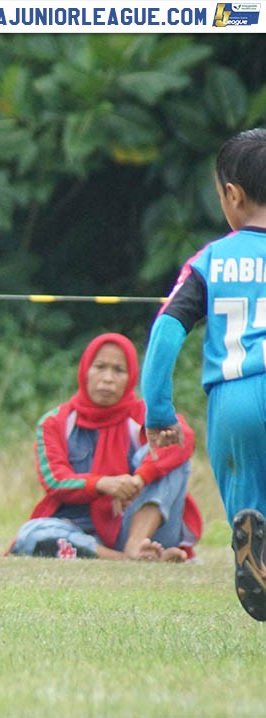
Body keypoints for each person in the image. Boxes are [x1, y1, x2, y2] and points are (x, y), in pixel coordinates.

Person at [141, 127, 266, 618]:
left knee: (248, 504)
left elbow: (167, 332)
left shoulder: (211, 260)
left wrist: (158, 409)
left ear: (232, 195)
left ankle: (252, 539)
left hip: (234, 399)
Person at [9, 333, 201, 561]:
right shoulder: (55, 422)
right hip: (82, 532)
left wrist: (139, 479)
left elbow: (184, 437)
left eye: (119, 370)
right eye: (100, 367)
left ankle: (136, 545)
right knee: (31, 535)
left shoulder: (144, 416)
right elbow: (55, 480)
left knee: (168, 453)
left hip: (142, 529)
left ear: (131, 377)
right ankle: (124, 559)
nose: (108, 378)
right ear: (84, 371)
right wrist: (102, 484)